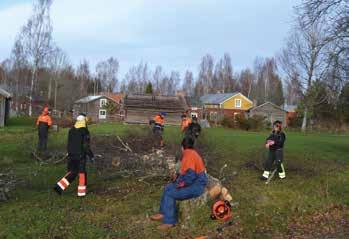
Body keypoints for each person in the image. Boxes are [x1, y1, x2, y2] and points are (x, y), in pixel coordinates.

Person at [150, 136, 208, 230]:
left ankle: (169, 222)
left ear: (182, 146)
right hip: (195, 183)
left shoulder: (189, 155)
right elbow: (186, 173)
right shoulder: (191, 153)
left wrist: (178, 184)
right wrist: (177, 179)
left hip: (197, 187)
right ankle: (163, 213)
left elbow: (190, 177)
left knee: (170, 193)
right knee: (168, 187)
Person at [54, 113, 94, 197]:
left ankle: (59, 187)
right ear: (84, 121)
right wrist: (91, 155)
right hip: (80, 155)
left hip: (71, 155)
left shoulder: (71, 130)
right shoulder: (84, 131)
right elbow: (86, 145)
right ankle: (81, 194)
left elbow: (69, 143)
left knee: (72, 172)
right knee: (82, 173)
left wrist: (69, 152)